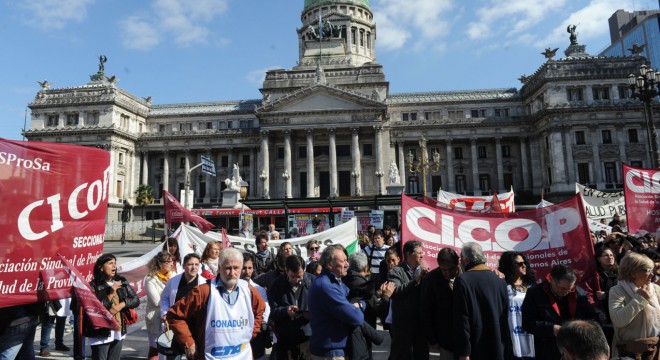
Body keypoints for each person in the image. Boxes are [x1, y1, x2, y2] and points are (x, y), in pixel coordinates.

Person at [167, 247, 266, 360]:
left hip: (242, 355)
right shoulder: (203, 291)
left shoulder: (248, 290)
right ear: (219, 268)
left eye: (236, 268)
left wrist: (251, 333)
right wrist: (188, 342)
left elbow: (260, 310)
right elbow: (174, 315)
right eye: (227, 268)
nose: (232, 273)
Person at [521, 264, 596, 360]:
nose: (566, 292)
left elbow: (592, 318)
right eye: (562, 288)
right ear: (551, 280)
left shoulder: (579, 293)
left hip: (577, 349)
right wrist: (552, 328)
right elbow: (527, 323)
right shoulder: (535, 293)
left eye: (570, 289)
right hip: (549, 349)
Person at [453, 242, 511, 360]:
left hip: (476, 348)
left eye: (462, 259)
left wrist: (464, 353)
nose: (460, 262)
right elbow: (505, 317)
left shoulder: (462, 281)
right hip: (498, 346)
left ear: (467, 260)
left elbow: (462, 319)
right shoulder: (500, 280)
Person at [308, 244, 364, 359]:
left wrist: (359, 304)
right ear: (329, 264)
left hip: (335, 349)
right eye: (343, 261)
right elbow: (356, 317)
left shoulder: (335, 281)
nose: (347, 264)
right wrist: (360, 306)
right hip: (330, 352)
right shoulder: (326, 286)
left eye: (346, 260)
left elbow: (351, 298)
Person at [84, 253, 140, 360]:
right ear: (101, 267)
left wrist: (121, 305)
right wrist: (111, 293)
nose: (114, 266)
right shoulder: (93, 285)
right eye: (110, 263)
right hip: (101, 332)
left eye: (115, 263)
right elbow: (97, 309)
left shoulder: (121, 281)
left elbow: (135, 300)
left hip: (118, 328)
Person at [608, 252, 660, 358]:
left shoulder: (656, 289)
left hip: (655, 349)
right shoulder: (617, 291)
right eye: (647, 270)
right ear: (632, 273)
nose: (652, 274)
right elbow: (618, 320)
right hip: (630, 352)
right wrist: (639, 299)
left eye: (651, 269)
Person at [160, 253, 206, 360]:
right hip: (175, 327)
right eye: (190, 264)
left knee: (194, 356)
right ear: (184, 265)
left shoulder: (204, 283)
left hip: (194, 329)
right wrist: (165, 313)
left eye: (196, 264)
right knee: (173, 357)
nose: (194, 267)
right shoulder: (173, 281)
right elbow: (164, 298)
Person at [388, 240, 429, 360]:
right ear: (408, 254)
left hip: (420, 325)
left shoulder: (424, 270)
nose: (422, 255)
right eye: (419, 253)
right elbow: (395, 292)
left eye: (423, 252)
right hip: (403, 326)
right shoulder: (396, 271)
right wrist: (415, 280)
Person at [268, 255, 315, 360]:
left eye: (299, 276)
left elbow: (322, 309)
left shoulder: (313, 282)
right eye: (293, 276)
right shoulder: (276, 285)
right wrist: (286, 312)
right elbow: (272, 312)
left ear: (304, 270)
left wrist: (311, 314)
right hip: (286, 340)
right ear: (286, 270)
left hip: (308, 338)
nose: (296, 280)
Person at [421, 247, 461, 359]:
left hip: (467, 338)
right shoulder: (430, 280)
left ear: (457, 263)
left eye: (451, 269)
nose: (447, 273)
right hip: (445, 339)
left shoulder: (467, 276)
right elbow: (425, 311)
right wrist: (432, 339)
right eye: (443, 270)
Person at [498, 251, 536, 360]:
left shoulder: (532, 286)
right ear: (509, 266)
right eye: (519, 264)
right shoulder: (502, 284)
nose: (523, 266)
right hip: (510, 337)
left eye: (524, 263)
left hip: (531, 335)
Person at [584, 246, 618, 345]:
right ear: (599, 258)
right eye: (606, 255)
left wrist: (607, 294)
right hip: (602, 317)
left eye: (611, 255)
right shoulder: (594, 275)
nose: (610, 257)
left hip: (617, 314)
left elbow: (623, 290)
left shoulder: (619, 273)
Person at [241, 253, 271, 360]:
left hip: (256, 333)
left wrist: (258, 326)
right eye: (244, 268)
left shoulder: (259, 289)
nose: (247, 271)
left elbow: (265, 310)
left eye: (250, 268)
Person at [145, 251, 173, 360]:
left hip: (171, 316)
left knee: (169, 347)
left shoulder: (174, 275)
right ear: (160, 264)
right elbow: (157, 301)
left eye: (172, 261)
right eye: (168, 262)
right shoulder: (150, 279)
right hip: (156, 317)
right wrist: (171, 298)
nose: (171, 264)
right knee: (155, 347)